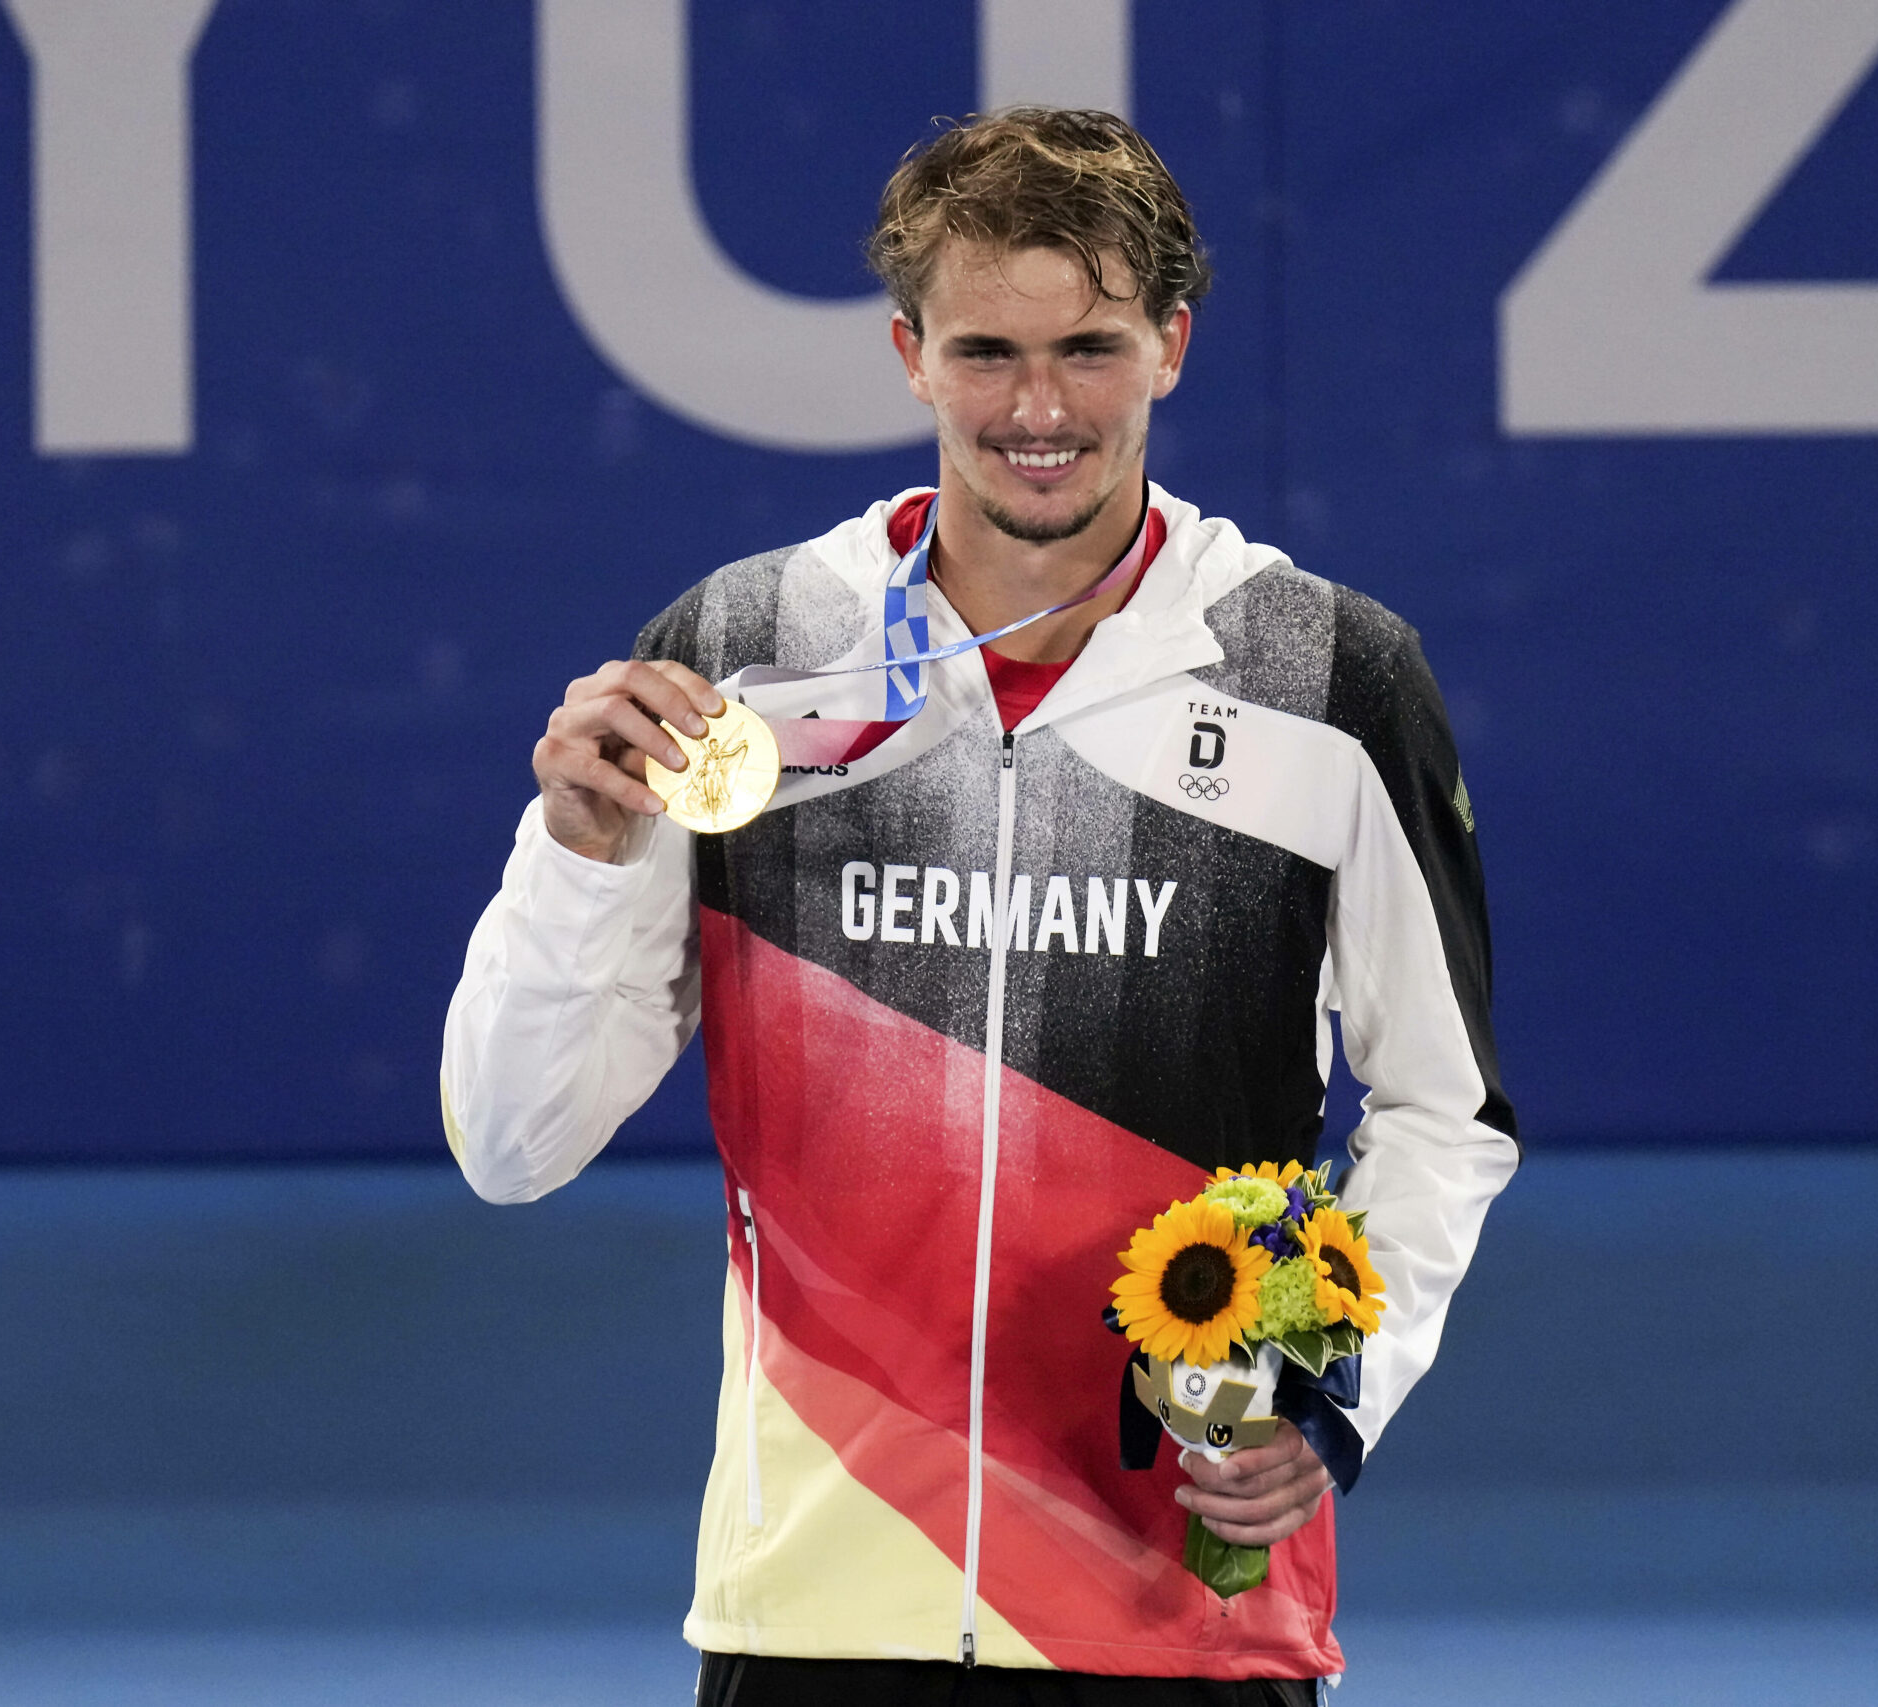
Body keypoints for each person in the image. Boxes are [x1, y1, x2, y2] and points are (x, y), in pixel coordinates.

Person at [441, 107, 1517, 1706]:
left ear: (1173, 344)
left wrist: (1325, 1389)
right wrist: (578, 856)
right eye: (985, 350)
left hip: (1182, 1610)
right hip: (815, 1609)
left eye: (1089, 347)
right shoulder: (749, 654)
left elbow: (1446, 1108)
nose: (1038, 408)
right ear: (908, 355)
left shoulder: (1326, 683)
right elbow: (511, 1146)